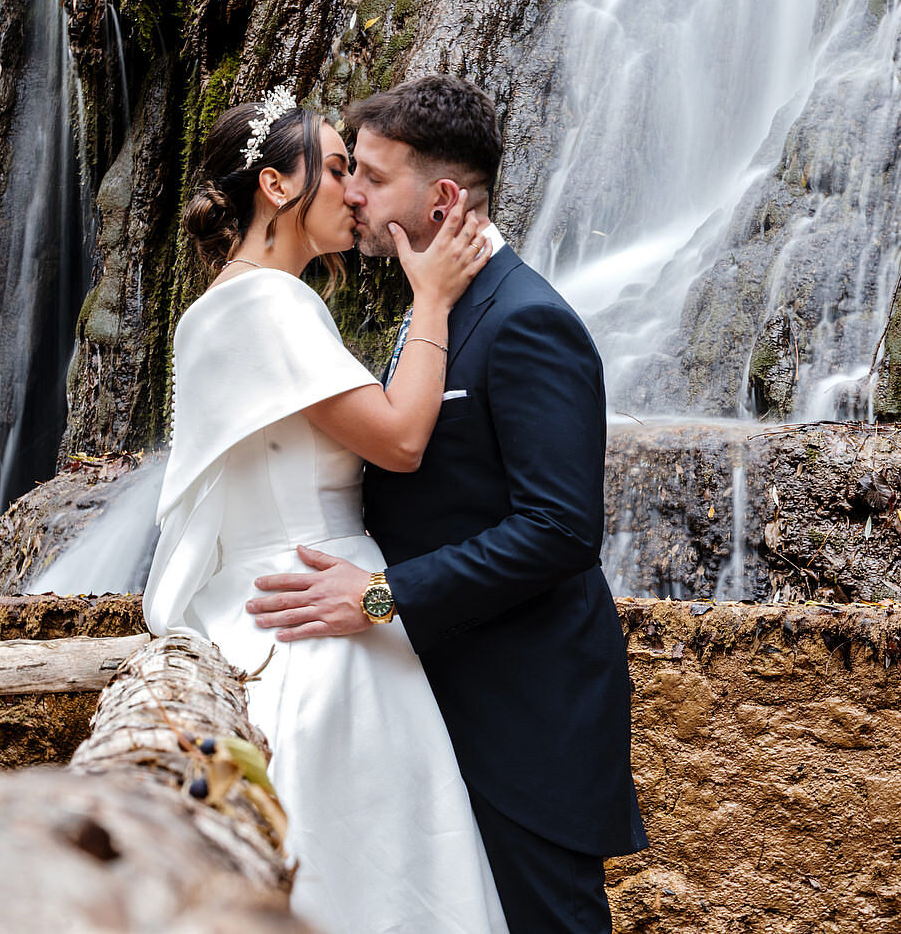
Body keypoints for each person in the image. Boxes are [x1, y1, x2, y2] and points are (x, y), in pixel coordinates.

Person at [246, 75, 649, 934]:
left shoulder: (529, 320)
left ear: (441, 197)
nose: (350, 193)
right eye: (350, 170)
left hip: (522, 717)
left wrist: (382, 597)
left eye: (373, 177)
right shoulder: (435, 307)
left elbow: (561, 530)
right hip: (436, 701)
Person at [143, 84, 508, 934]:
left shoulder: (245, 302)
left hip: (303, 599)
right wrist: (433, 299)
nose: (355, 192)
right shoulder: (264, 305)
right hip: (317, 617)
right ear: (276, 185)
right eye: (339, 168)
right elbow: (401, 440)